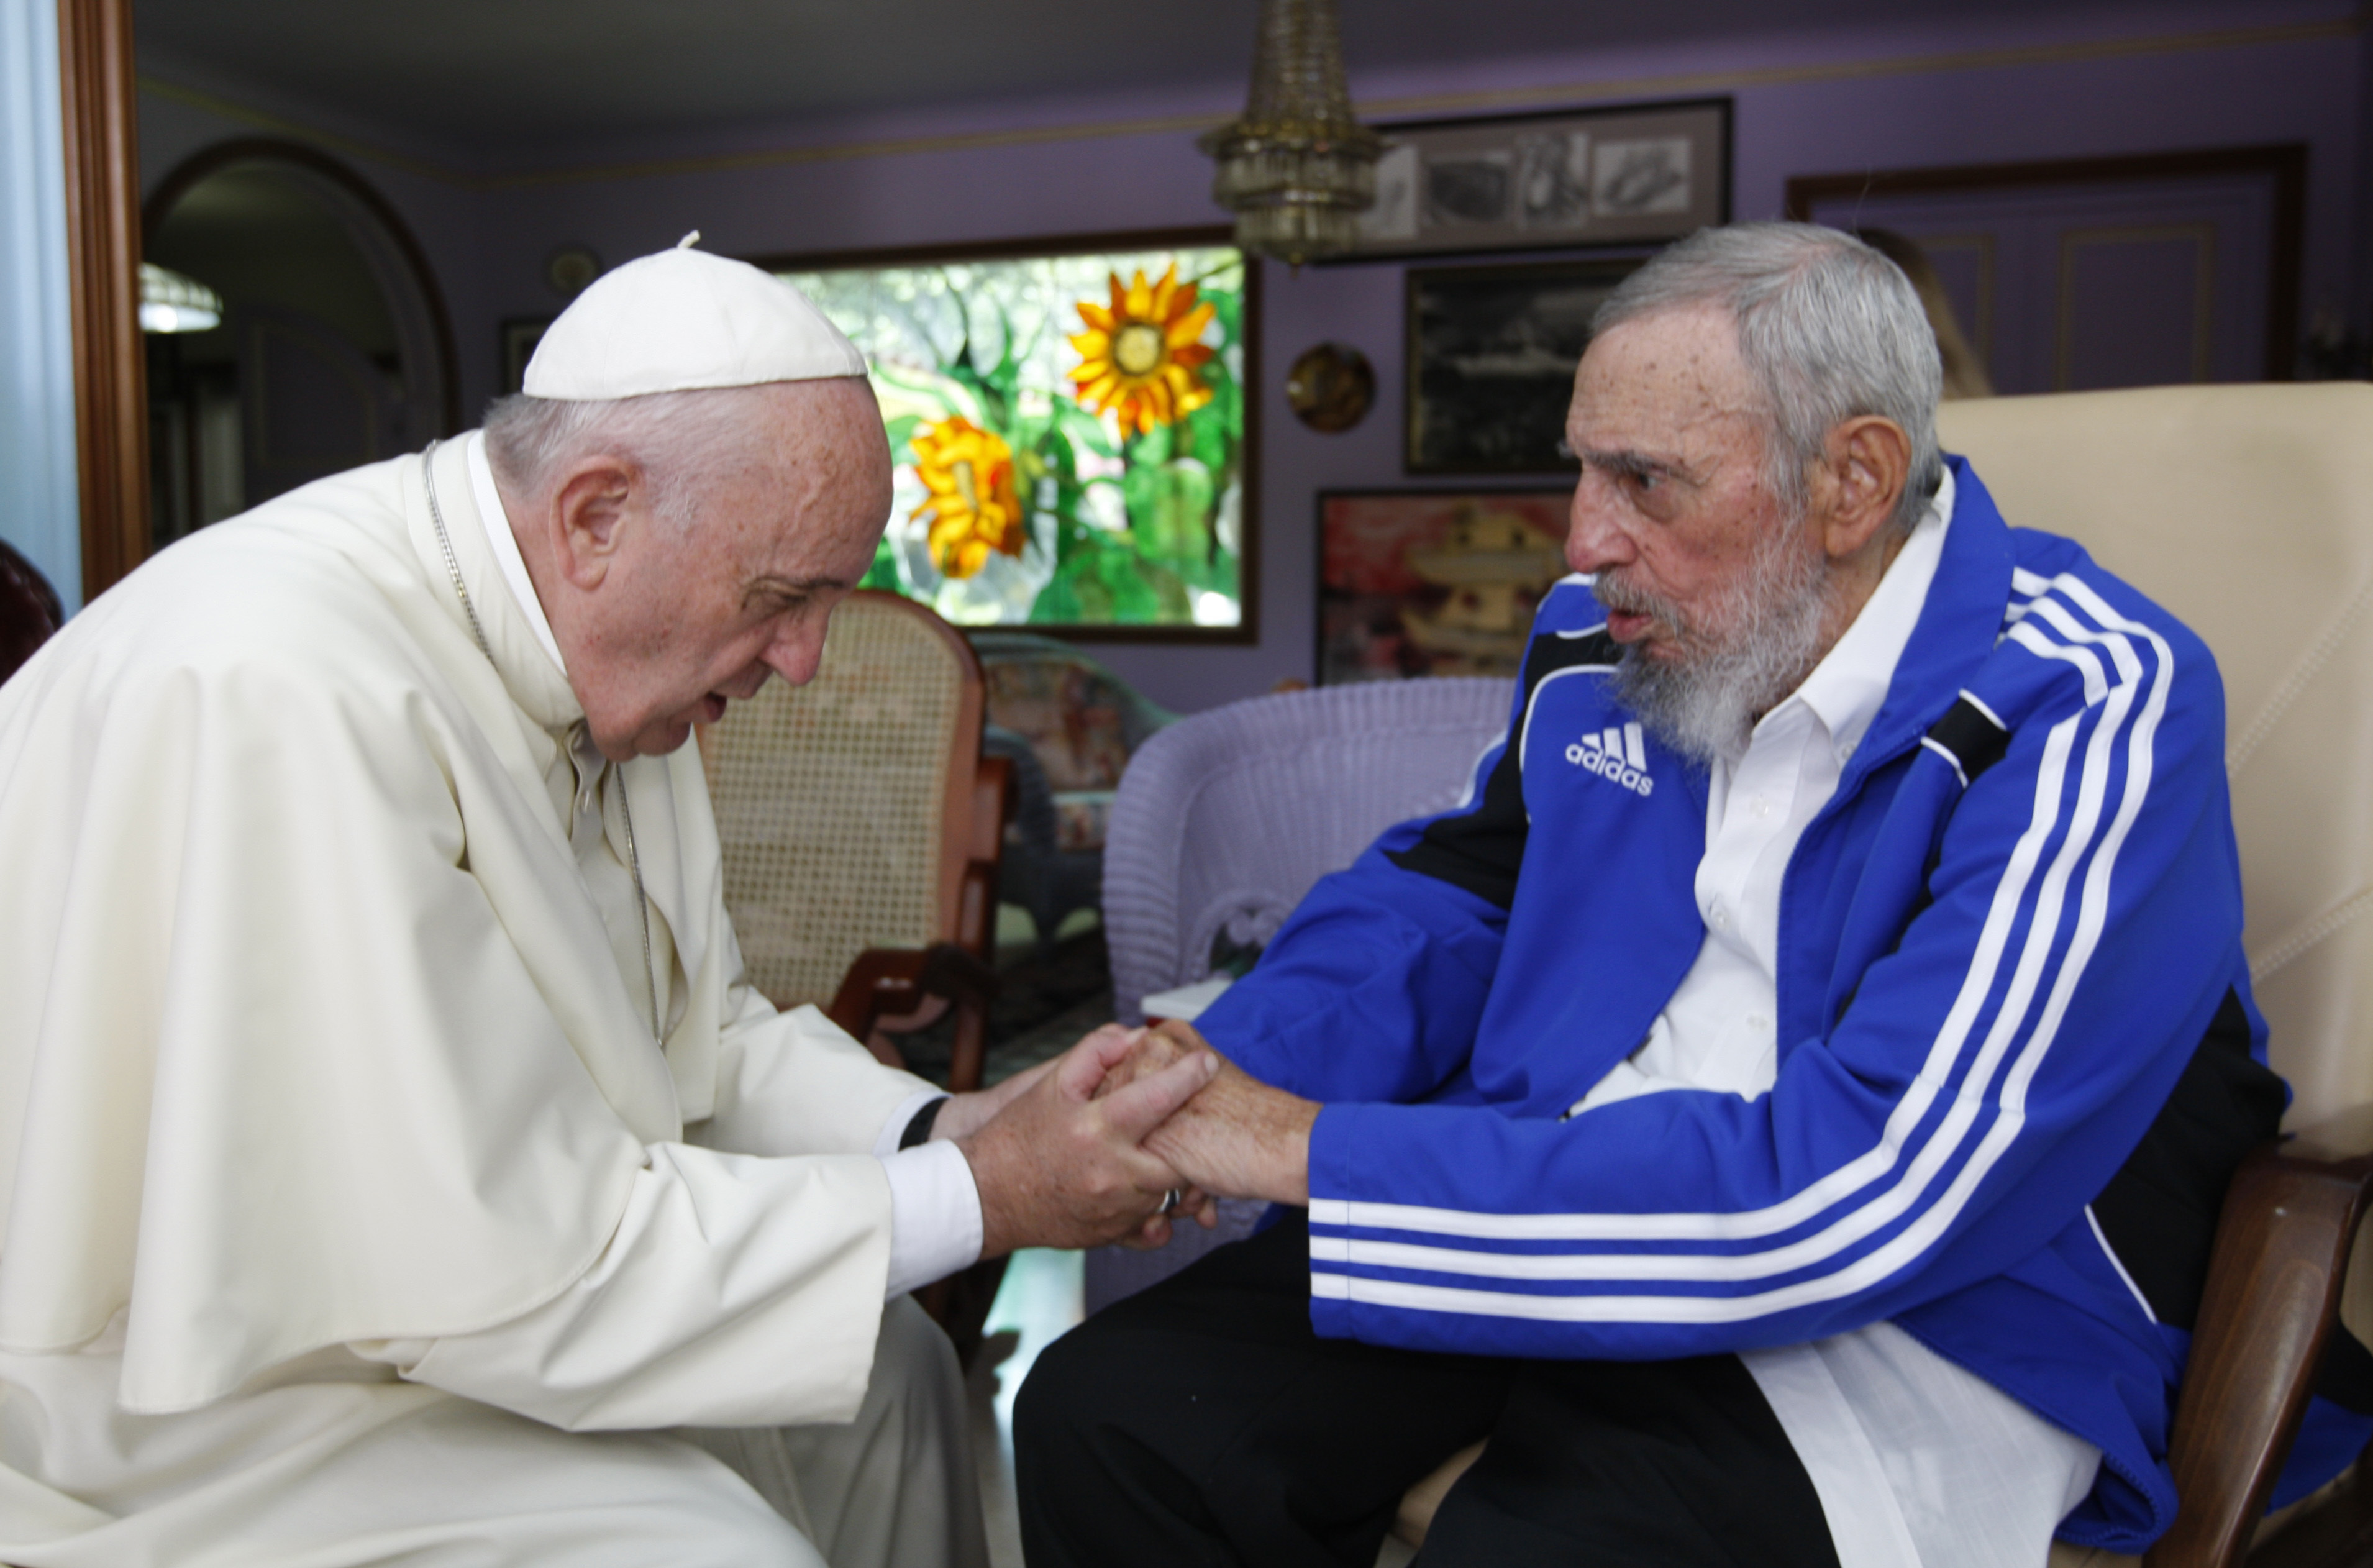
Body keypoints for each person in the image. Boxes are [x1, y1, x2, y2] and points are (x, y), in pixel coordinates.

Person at [1016, 224, 2362, 1566]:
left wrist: (1299, 1147)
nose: (1582, 538)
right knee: (1108, 1418)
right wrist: (1212, 1071)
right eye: (1584, 467)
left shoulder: (2083, 700)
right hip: (1558, 1178)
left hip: (1919, 1300)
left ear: (1851, 480)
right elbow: (1456, 892)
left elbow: (1872, 1184)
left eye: (1643, 481)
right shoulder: (1606, 634)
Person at [0, 240, 1216, 1567]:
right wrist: (985, 1191)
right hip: (192, 1400)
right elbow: (503, 1267)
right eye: (783, 599)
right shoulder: (287, 693)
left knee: (898, 1384)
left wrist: (954, 1119)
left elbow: (692, 1026)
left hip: (451, 1294)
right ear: (594, 516)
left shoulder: (578, 649)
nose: (807, 663)